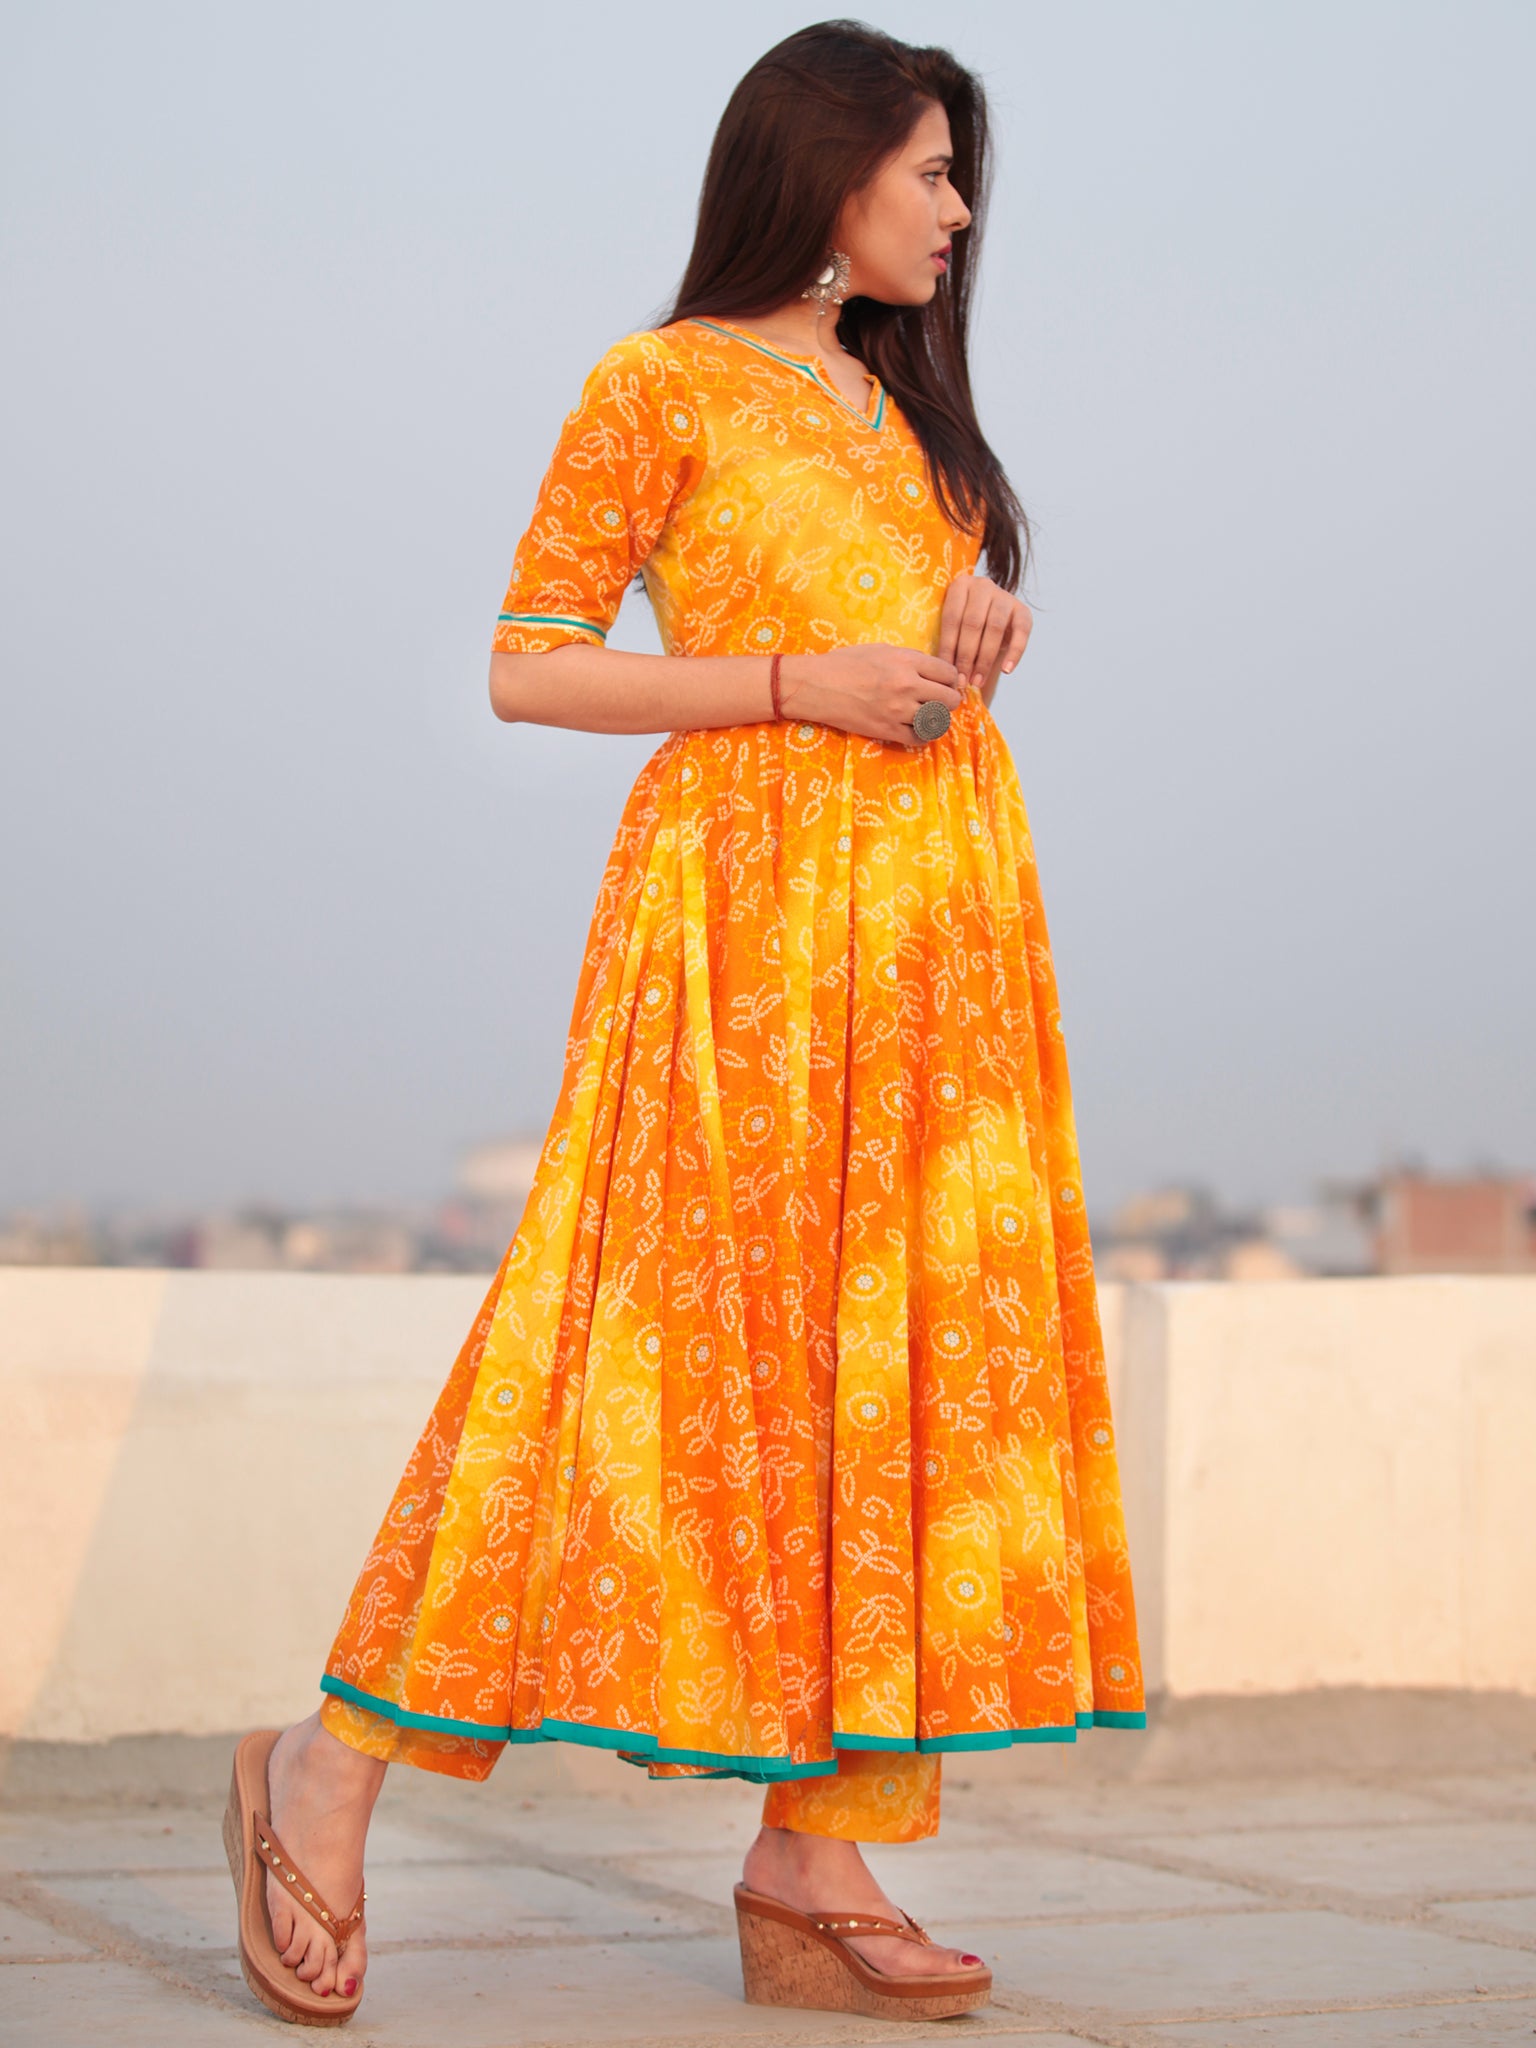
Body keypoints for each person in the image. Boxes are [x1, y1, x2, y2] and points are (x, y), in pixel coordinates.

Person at [224, 19, 1146, 2028]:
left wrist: (970, 634)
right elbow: (530, 664)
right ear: (826, 174)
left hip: (928, 944)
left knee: (875, 1376)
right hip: (736, 933)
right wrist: (802, 679)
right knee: (616, 1343)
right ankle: (324, 1765)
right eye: (931, 172)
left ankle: (813, 1859)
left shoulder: (905, 414)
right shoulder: (656, 385)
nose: (959, 213)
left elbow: (896, 666)